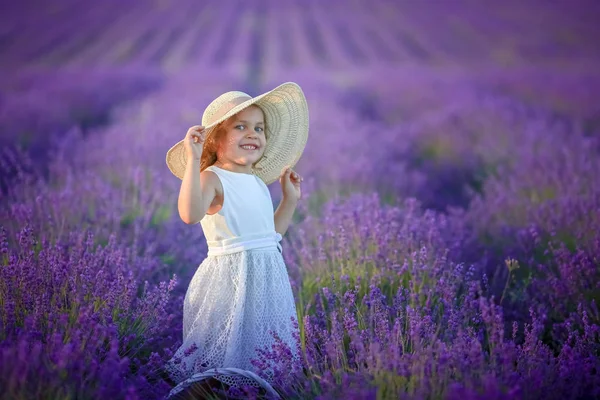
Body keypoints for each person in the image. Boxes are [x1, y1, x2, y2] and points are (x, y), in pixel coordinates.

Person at [162, 82, 309, 399]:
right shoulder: (212, 177)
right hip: (231, 281)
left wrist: (290, 200)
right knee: (222, 349)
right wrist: (193, 160)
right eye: (240, 127)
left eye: (259, 127)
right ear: (215, 140)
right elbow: (190, 213)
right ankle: (207, 393)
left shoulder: (255, 181)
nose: (253, 133)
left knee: (261, 349)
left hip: (266, 280)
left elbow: (269, 237)